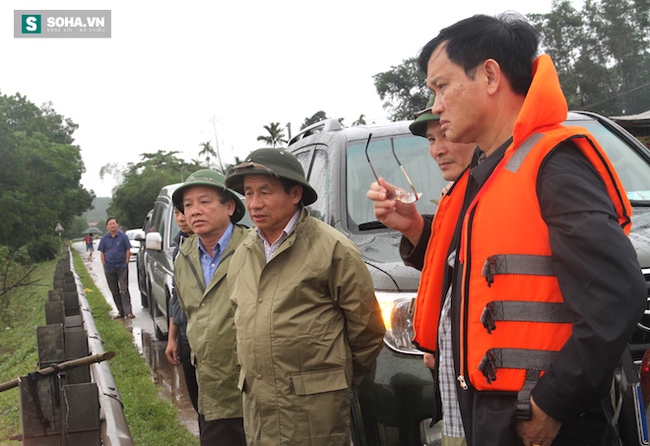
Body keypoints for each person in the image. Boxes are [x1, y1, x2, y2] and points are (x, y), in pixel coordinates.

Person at [401, 12, 646, 446]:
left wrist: (553, 402)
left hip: (540, 417)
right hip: (491, 410)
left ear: (491, 76)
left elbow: (616, 294)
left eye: (441, 86)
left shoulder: (554, 165)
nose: (436, 105)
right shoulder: (486, 174)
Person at [224, 148, 386, 445]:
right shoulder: (243, 253)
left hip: (315, 413)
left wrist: (333, 380)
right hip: (260, 409)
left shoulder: (332, 248)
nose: (254, 204)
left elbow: (367, 329)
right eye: (248, 193)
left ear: (295, 193)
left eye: (265, 192)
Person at [367, 97, 476, 374]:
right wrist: (414, 225)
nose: (437, 150)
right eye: (431, 139)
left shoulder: (512, 191)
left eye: (447, 133)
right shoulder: (457, 198)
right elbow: (456, 266)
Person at [171, 169, 248, 446]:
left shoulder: (254, 248)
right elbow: (187, 312)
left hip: (253, 391)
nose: (195, 211)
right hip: (210, 390)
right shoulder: (185, 255)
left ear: (229, 206)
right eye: (188, 205)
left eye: (204, 202)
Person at [164, 207, 201, 431]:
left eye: (185, 211)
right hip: (188, 333)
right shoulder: (178, 247)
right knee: (197, 398)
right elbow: (176, 298)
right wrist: (172, 338)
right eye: (178, 211)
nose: (181, 218)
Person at [97, 217, 134, 319]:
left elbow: (128, 250)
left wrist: (126, 262)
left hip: (122, 266)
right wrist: (104, 264)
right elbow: (102, 252)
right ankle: (120, 311)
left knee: (124, 289)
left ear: (117, 225)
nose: (112, 225)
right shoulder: (104, 239)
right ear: (107, 226)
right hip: (109, 267)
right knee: (114, 290)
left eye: (114, 223)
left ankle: (128, 312)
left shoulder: (123, 237)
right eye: (110, 224)